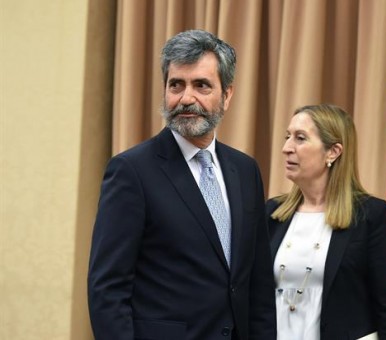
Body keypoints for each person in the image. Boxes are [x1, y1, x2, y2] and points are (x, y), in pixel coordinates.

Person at [88, 30, 276, 340]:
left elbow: (257, 284)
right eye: (176, 85)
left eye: (201, 85)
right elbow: (107, 288)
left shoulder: (245, 170)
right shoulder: (131, 171)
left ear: (227, 95)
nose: (186, 98)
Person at [267, 104, 386, 339]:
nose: (286, 148)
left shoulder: (370, 215)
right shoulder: (272, 213)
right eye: (287, 137)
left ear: (333, 152)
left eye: (300, 138)